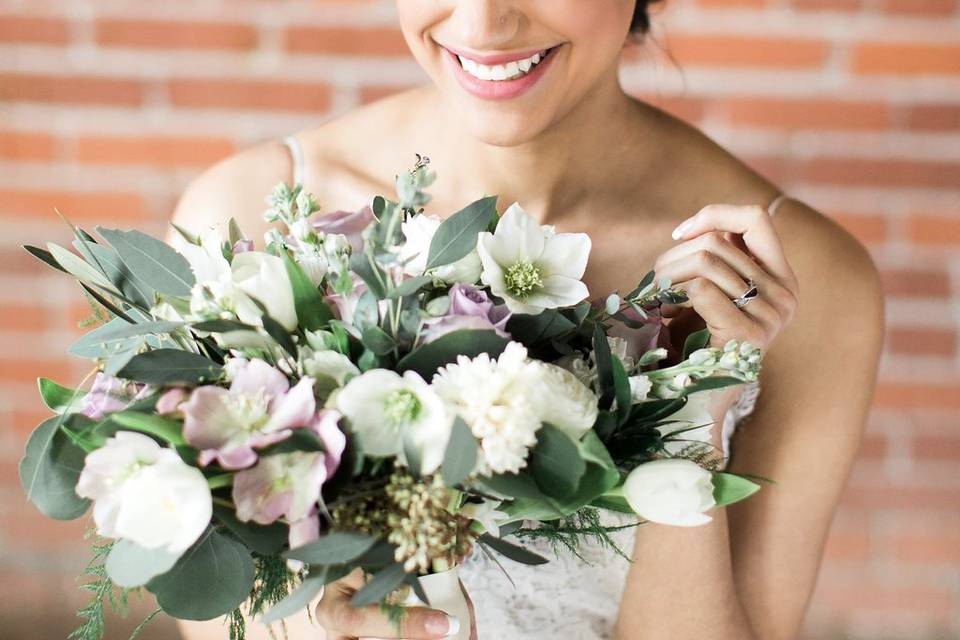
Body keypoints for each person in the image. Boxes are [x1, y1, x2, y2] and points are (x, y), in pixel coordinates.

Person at [171, 1, 885, 639]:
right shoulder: (242, 223)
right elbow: (213, 615)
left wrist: (697, 399)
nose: (482, 24)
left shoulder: (803, 284)